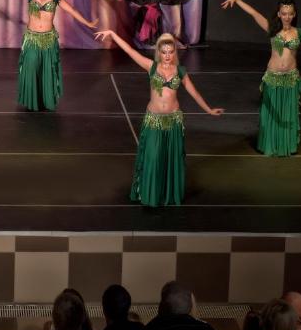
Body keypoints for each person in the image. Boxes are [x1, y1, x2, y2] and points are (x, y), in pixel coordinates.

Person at [94, 30, 223, 205]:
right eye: (164, 52)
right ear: (159, 53)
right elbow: (130, 51)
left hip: (173, 121)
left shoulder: (180, 71)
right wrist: (112, 34)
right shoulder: (151, 67)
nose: (167, 55)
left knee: (170, 159)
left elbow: (194, 93)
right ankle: (150, 193)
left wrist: (209, 110)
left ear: (174, 52)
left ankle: (167, 194)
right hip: (153, 120)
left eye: (170, 51)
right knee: (153, 157)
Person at [220, 0, 301, 156]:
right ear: (279, 14)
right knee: (271, 114)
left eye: (290, 13)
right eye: (284, 13)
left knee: (287, 115)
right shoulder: (272, 29)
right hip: (272, 78)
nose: (287, 17)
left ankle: (286, 146)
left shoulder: (300, 33)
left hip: (290, 79)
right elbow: (254, 14)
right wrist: (237, 0)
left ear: (294, 14)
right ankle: (270, 145)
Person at [0, 0, 98, 111]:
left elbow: (72, 10)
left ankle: (45, 100)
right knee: (31, 68)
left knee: (47, 71)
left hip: (48, 40)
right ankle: (32, 100)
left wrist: (88, 23)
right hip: (32, 39)